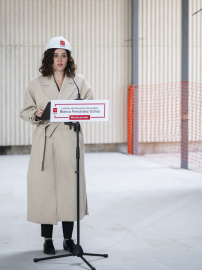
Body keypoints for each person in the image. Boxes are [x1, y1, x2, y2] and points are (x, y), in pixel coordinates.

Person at [20, 36, 93, 254]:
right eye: (55, 55)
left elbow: (90, 105)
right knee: (46, 191)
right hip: (46, 140)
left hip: (70, 139)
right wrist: (36, 114)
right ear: (48, 58)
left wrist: (79, 112)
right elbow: (25, 111)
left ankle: (68, 240)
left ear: (68, 58)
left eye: (63, 55)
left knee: (70, 191)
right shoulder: (36, 82)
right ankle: (47, 239)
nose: (59, 60)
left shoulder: (79, 81)